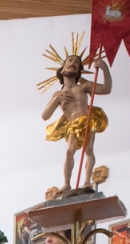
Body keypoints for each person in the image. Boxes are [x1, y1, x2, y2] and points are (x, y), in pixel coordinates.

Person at [42, 53, 112, 191]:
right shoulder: (57, 94)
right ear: (63, 69)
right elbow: (45, 115)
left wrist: (105, 69)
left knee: (89, 150)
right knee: (69, 152)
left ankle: (86, 181)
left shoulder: (83, 87)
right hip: (72, 124)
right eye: (70, 61)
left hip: (86, 120)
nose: (73, 63)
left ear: (79, 70)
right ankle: (67, 184)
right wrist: (57, 100)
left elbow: (106, 89)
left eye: (76, 62)